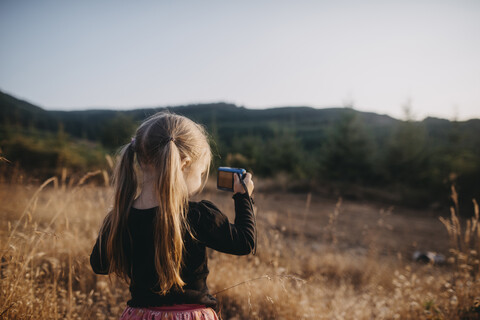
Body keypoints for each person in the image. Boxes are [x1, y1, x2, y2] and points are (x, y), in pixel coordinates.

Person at [90, 112, 255, 320]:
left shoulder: (119, 218)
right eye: (201, 172)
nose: (201, 178)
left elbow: (100, 266)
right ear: (184, 163)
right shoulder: (197, 215)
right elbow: (245, 242)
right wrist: (243, 197)